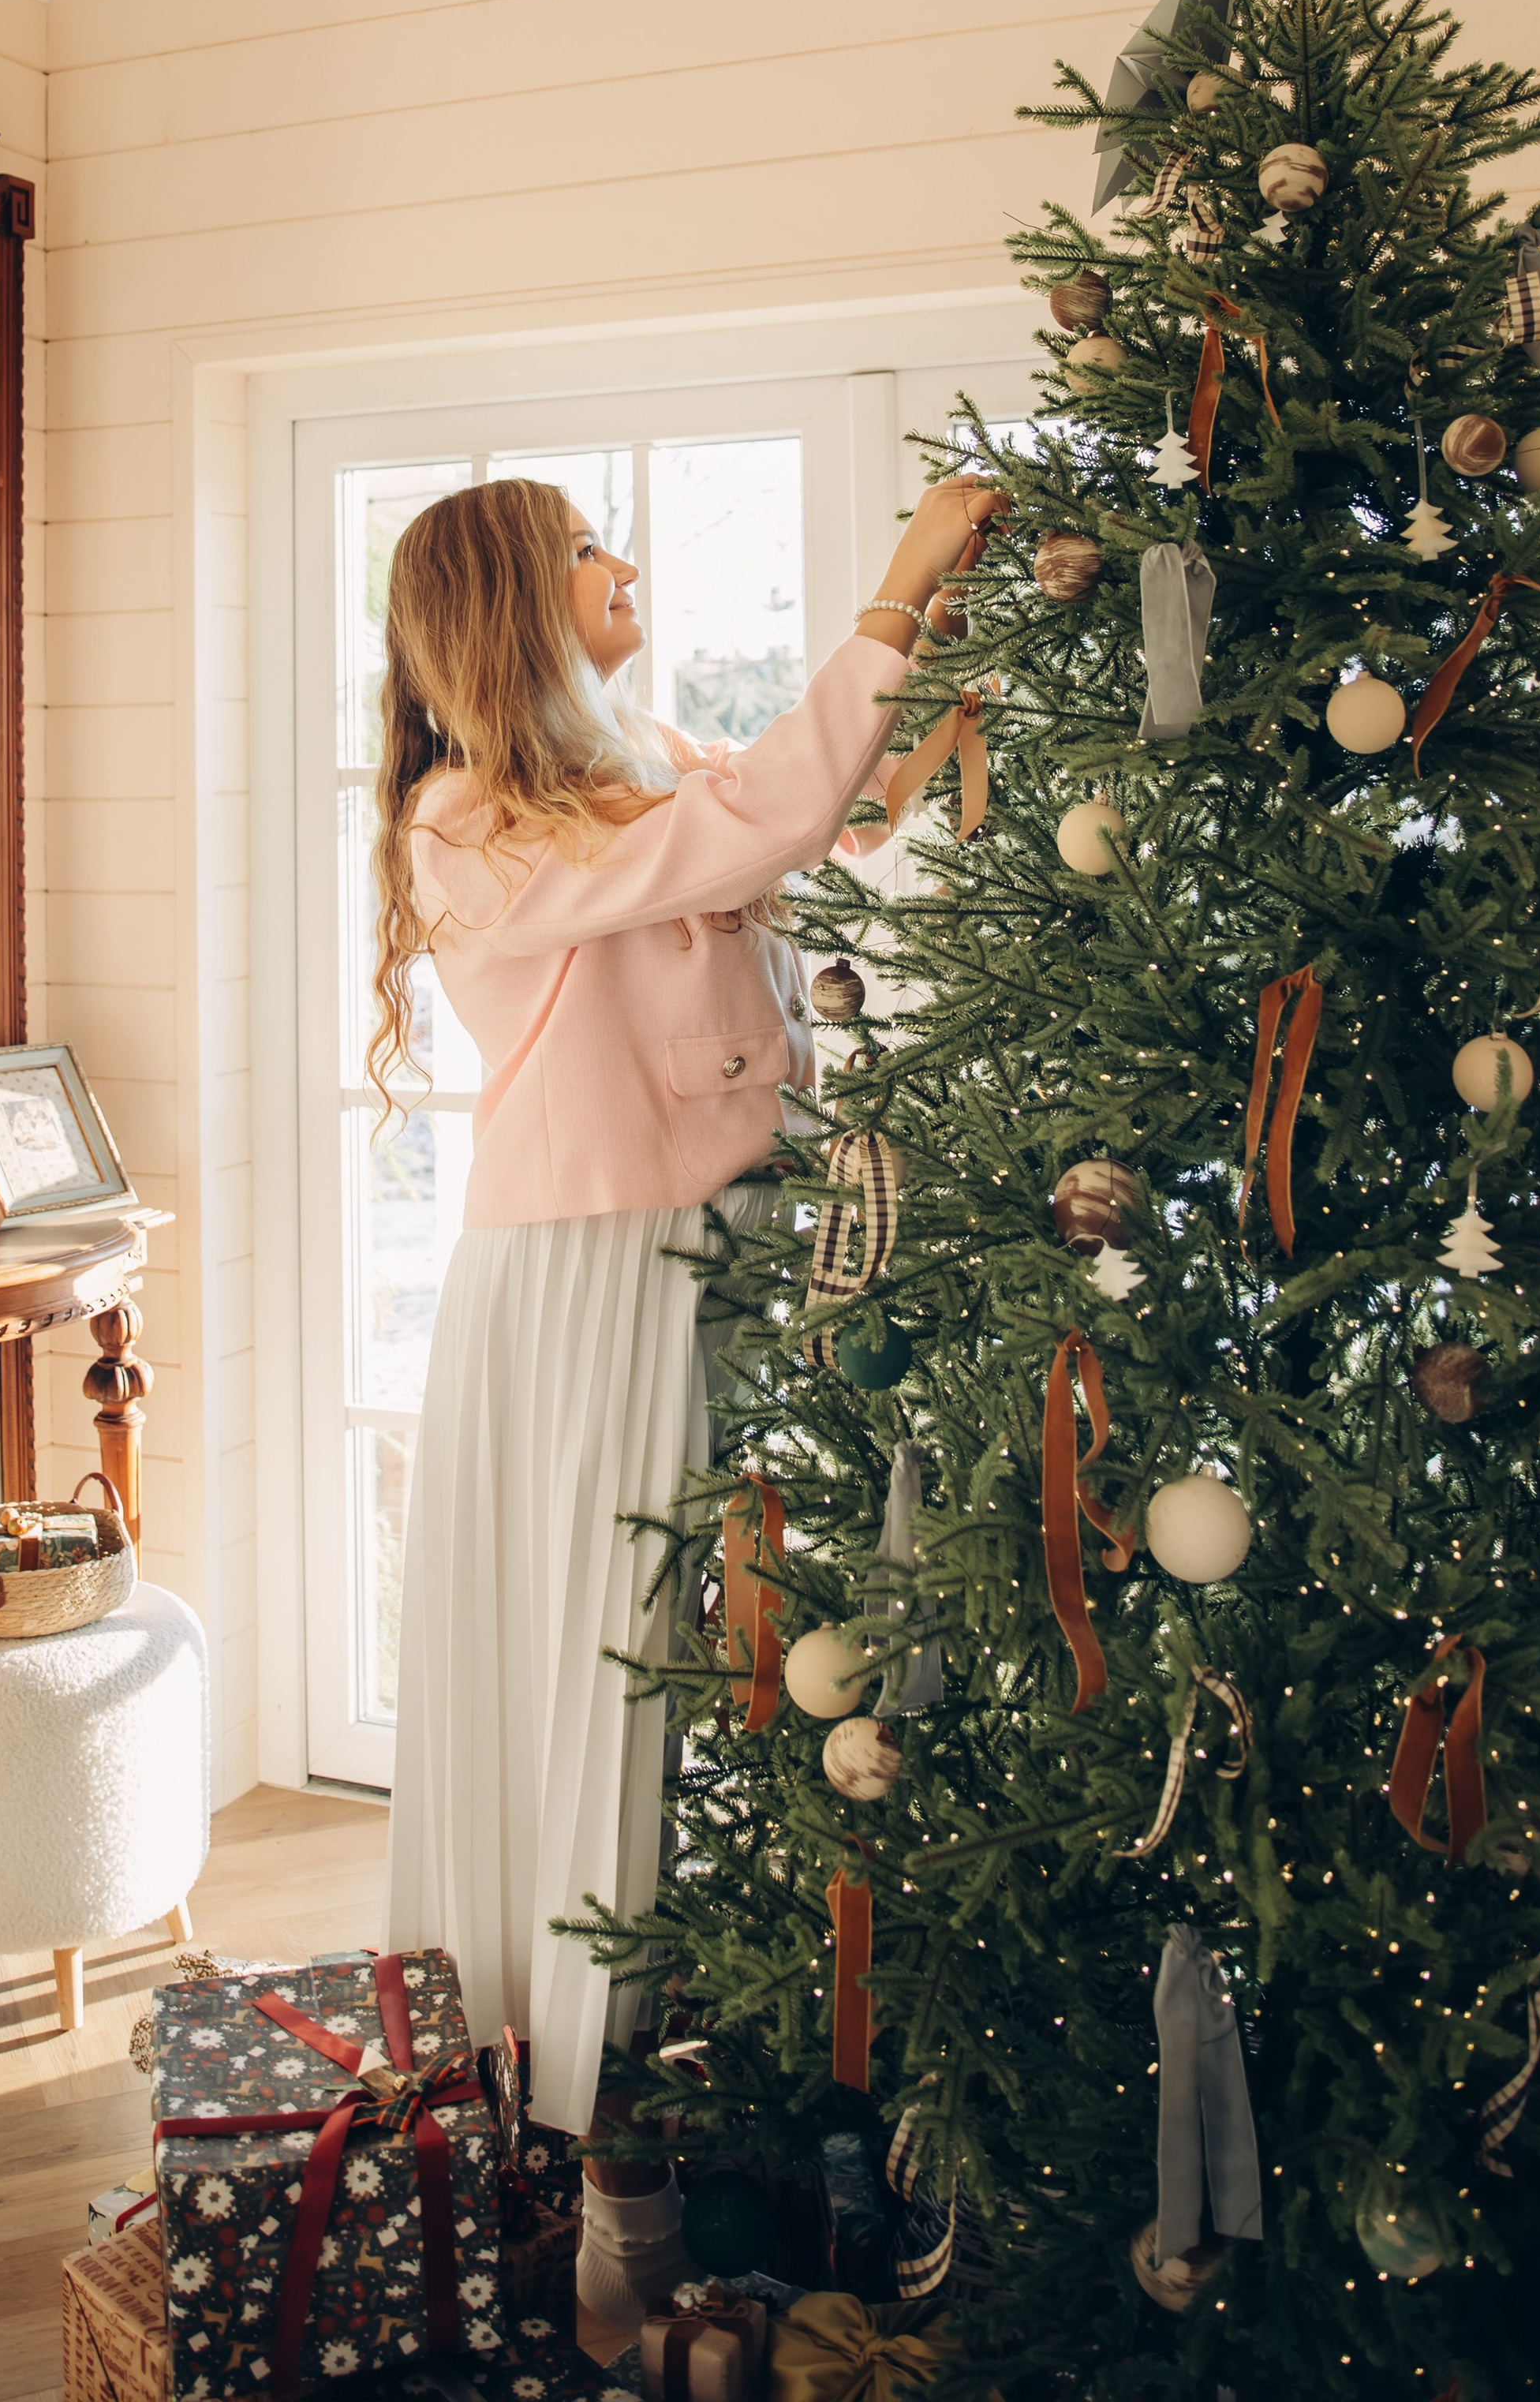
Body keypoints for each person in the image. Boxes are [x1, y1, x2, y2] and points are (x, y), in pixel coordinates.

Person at [370, 466, 999, 2318]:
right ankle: (581, 2150)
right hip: (586, 1272)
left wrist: (931, 667)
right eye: (582, 547)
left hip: (718, 1239)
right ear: (506, 598)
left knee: (709, 1652)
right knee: (603, 1658)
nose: (620, 563)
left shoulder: (629, 755)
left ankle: (668, 2116)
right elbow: (745, 829)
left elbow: (813, 819)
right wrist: (889, 592)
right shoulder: (464, 819)